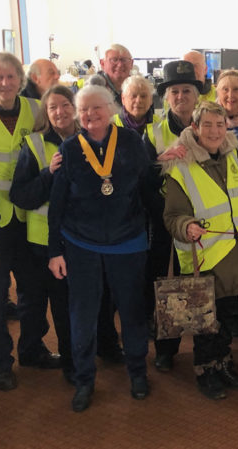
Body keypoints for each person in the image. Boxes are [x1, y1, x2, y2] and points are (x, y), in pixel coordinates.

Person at [48, 85, 156, 412]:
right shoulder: (69, 149)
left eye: (96, 109)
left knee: (133, 311)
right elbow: (57, 204)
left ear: (111, 110)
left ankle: (137, 372)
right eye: (84, 111)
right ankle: (84, 380)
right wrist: (55, 251)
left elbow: (148, 189)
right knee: (82, 314)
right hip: (81, 243)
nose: (90, 115)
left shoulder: (131, 143)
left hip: (128, 241)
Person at [161, 101, 238, 400]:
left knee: (228, 316)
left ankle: (224, 362)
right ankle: (205, 370)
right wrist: (187, 226)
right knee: (206, 321)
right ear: (194, 127)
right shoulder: (179, 164)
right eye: (207, 124)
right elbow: (172, 216)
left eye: (220, 125)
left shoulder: (234, 157)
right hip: (205, 256)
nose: (215, 131)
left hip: (237, 253)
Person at [10, 85, 78, 383]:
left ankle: (72, 364)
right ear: (46, 114)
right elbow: (21, 196)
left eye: (65, 105)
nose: (60, 112)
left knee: (68, 308)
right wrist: (48, 173)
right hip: (40, 244)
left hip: (78, 239)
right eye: (53, 108)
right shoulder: (34, 145)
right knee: (38, 304)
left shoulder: (89, 140)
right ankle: (36, 354)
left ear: (74, 107)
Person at [0, 52, 41, 391]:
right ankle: (1, 364)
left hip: (29, 217)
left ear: (21, 80)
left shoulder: (36, 110)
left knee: (34, 293)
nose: (5, 83)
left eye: (11, 77)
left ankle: (33, 350)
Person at [146, 60, 203, 371]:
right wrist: (158, 162)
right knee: (168, 286)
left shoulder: (208, 125)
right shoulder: (153, 133)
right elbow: (142, 182)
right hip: (166, 223)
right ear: (166, 96)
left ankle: (208, 351)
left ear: (197, 96)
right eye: (174, 91)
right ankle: (166, 349)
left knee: (203, 284)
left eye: (187, 90)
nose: (181, 96)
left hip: (204, 222)